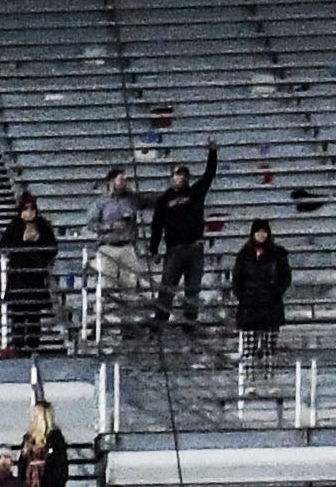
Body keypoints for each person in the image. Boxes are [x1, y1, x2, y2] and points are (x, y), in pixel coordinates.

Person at [146, 146, 219, 327]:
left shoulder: (195, 193)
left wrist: (212, 153)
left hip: (195, 247)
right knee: (167, 286)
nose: (181, 178)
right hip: (174, 249)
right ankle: (161, 319)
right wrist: (154, 249)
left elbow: (208, 175)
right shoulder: (164, 200)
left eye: (185, 175)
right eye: (178, 174)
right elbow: (156, 226)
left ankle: (190, 320)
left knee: (192, 288)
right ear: (172, 177)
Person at [226, 219, 291, 367]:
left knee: (269, 350)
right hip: (249, 307)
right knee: (249, 350)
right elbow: (237, 278)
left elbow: (285, 277)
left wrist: (276, 293)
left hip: (271, 306)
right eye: (258, 232)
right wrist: (243, 296)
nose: (261, 235)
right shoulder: (244, 255)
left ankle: (269, 381)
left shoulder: (278, 254)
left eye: (264, 232)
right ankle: (249, 382)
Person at [0, 195, 56, 356]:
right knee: (18, 316)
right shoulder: (14, 226)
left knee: (34, 316)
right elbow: (4, 247)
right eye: (26, 209)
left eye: (32, 209)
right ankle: (18, 346)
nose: (29, 213)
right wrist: (22, 240)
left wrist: (38, 240)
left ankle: (33, 346)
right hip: (18, 278)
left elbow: (52, 248)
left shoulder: (42, 225)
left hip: (35, 278)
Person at [88, 166, 144, 315]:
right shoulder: (100, 203)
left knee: (129, 286)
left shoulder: (131, 200)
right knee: (108, 286)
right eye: (121, 180)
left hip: (127, 246)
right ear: (111, 181)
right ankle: (111, 324)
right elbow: (92, 225)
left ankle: (129, 324)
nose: (125, 183)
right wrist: (111, 226)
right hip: (108, 247)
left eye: (126, 180)